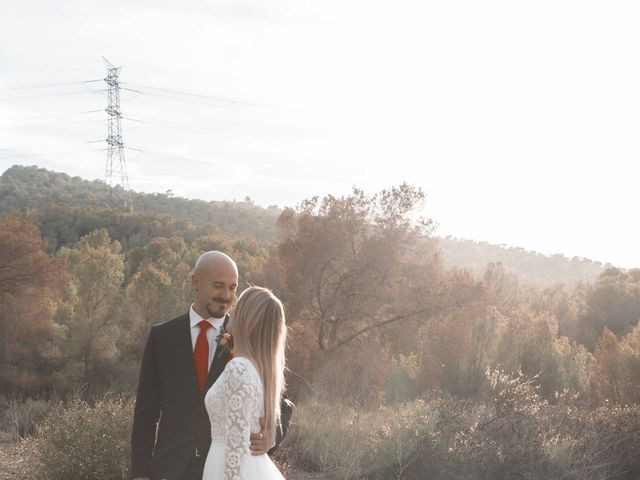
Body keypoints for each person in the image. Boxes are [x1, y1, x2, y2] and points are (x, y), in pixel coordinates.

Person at [130, 251, 291, 480]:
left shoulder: (247, 337)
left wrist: (271, 436)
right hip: (169, 469)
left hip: (221, 468)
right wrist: (140, 473)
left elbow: (281, 400)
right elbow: (146, 411)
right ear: (196, 282)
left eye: (233, 287)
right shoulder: (162, 337)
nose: (226, 295)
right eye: (218, 286)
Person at [202, 286, 287, 480]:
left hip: (230, 469)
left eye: (238, 308)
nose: (232, 312)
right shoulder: (259, 368)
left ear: (247, 319)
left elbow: (236, 450)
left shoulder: (239, 368)